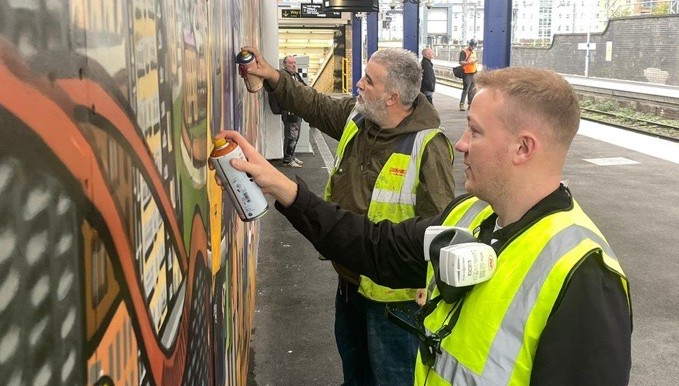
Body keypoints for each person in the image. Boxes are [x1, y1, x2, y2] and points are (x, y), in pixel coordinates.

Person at [219, 67, 633, 384]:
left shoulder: (585, 276)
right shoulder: (469, 216)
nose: (461, 143)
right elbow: (374, 246)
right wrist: (284, 188)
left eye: (475, 130)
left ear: (522, 148)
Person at [239, 45, 457, 385]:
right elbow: (313, 104)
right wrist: (273, 76)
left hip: (395, 301)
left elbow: (441, 225)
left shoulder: (428, 146)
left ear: (392, 97)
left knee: (392, 379)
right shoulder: (359, 119)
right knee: (355, 375)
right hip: (351, 282)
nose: (358, 84)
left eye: (368, 81)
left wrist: (430, 284)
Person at [281, 55, 308, 167]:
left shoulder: (296, 75)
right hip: (289, 110)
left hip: (297, 110)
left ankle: (292, 156)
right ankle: (287, 159)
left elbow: (304, 87)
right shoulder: (283, 76)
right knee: (291, 135)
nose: (293, 65)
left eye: (294, 63)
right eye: (290, 63)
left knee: (296, 134)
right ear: (285, 64)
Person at [457, 39, 478, 111]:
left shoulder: (474, 52)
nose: (473, 47)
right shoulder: (464, 52)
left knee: (472, 90)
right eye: (472, 46)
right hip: (467, 73)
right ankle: (462, 104)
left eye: (474, 46)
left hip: (474, 72)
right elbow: (461, 62)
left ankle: (470, 104)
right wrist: (469, 63)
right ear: (469, 44)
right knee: (466, 89)